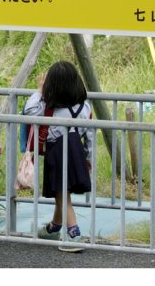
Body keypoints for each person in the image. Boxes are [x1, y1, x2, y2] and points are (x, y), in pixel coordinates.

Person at [23, 60, 92, 252]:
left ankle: (74, 234)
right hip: (77, 149)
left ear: (51, 86)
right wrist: (89, 157)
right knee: (62, 190)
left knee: (62, 192)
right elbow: (91, 133)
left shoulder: (49, 107)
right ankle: (54, 227)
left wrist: (39, 90)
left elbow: (28, 111)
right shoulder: (84, 106)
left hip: (57, 149)